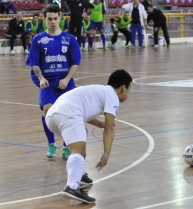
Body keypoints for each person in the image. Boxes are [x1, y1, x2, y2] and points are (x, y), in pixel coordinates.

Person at [45, 69, 132, 203]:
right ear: (123, 88)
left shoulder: (99, 90)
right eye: (129, 89)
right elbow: (110, 128)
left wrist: (99, 124)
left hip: (52, 117)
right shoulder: (112, 96)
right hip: (68, 113)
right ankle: (72, 186)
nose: (128, 93)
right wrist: (106, 153)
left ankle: (78, 174)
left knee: (80, 138)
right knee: (78, 150)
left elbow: (83, 111)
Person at [26, 4, 81, 160]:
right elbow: (34, 63)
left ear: (60, 18)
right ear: (44, 20)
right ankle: (51, 143)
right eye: (49, 19)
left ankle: (66, 146)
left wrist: (67, 79)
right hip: (48, 83)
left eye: (55, 18)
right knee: (47, 110)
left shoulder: (69, 39)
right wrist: (41, 78)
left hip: (66, 82)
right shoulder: (38, 40)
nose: (52, 22)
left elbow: (75, 63)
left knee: (67, 114)